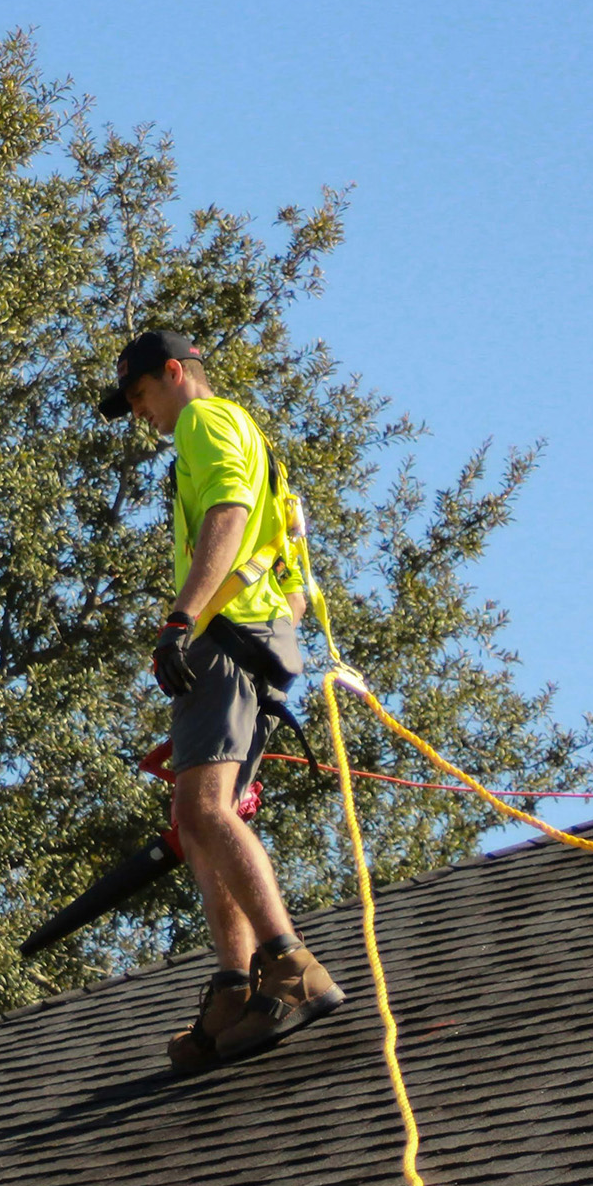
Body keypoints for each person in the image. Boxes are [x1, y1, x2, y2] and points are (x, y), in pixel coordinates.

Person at [99, 330, 346, 1073]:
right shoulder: (247, 435)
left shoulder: (205, 422)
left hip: (226, 636)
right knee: (199, 813)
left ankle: (289, 962)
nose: (142, 415)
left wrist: (183, 618)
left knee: (202, 807)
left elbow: (229, 516)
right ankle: (237, 986)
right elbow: (289, 560)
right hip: (257, 633)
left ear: (175, 374)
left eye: (141, 396)